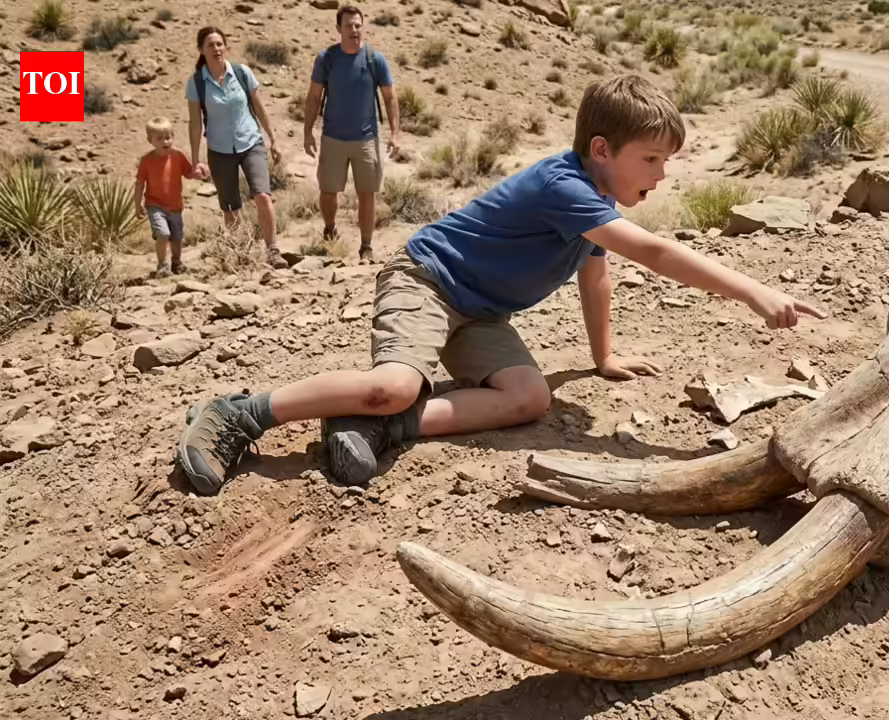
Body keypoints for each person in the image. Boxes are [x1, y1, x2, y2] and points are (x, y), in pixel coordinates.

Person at [175, 74, 825, 496]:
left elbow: (596, 281)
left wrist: (603, 358)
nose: (661, 174)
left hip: (480, 314)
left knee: (528, 398)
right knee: (395, 382)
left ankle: (381, 428)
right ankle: (238, 413)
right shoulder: (563, 186)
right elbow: (653, 252)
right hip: (427, 282)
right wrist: (751, 290)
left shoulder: (591, 211)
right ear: (602, 149)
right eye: (651, 159)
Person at [302, 4, 399, 263]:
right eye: (349, 26)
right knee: (328, 191)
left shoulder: (374, 59)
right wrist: (307, 132)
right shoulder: (327, 58)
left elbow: (390, 98)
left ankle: (366, 246)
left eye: (358, 25)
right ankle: (330, 228)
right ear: (338, 29)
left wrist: (395, 133)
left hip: (366, 138)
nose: (354, 30)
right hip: (333, 137)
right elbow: (313, 97)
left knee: (367, 193)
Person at [186, 25, 289, 269]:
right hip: (219, 149)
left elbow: (259, 107)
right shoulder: (197, 83)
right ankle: (241, 255)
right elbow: (194, 122)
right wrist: (194, 159)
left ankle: (272, 250)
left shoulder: (242, 73)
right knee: (230, 206)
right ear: (201, 50)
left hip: (251, 141)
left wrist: (273, 139)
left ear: (226, 46)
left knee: (263, 196)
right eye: (210, 45)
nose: (216, 49)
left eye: (219, 44)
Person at [133, 117, 204, 277]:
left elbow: (188, 172)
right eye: (160, 138)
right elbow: (139, 184)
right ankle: (162, 266)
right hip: (155, 205)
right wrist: (137, 205)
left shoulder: (178, 155)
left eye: (168, 137)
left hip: (175, 205)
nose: (165, 141)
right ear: (150, 140)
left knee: (176, 237)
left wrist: (198, 174)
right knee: (163, 233)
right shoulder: (147, 160)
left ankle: (176, 263)